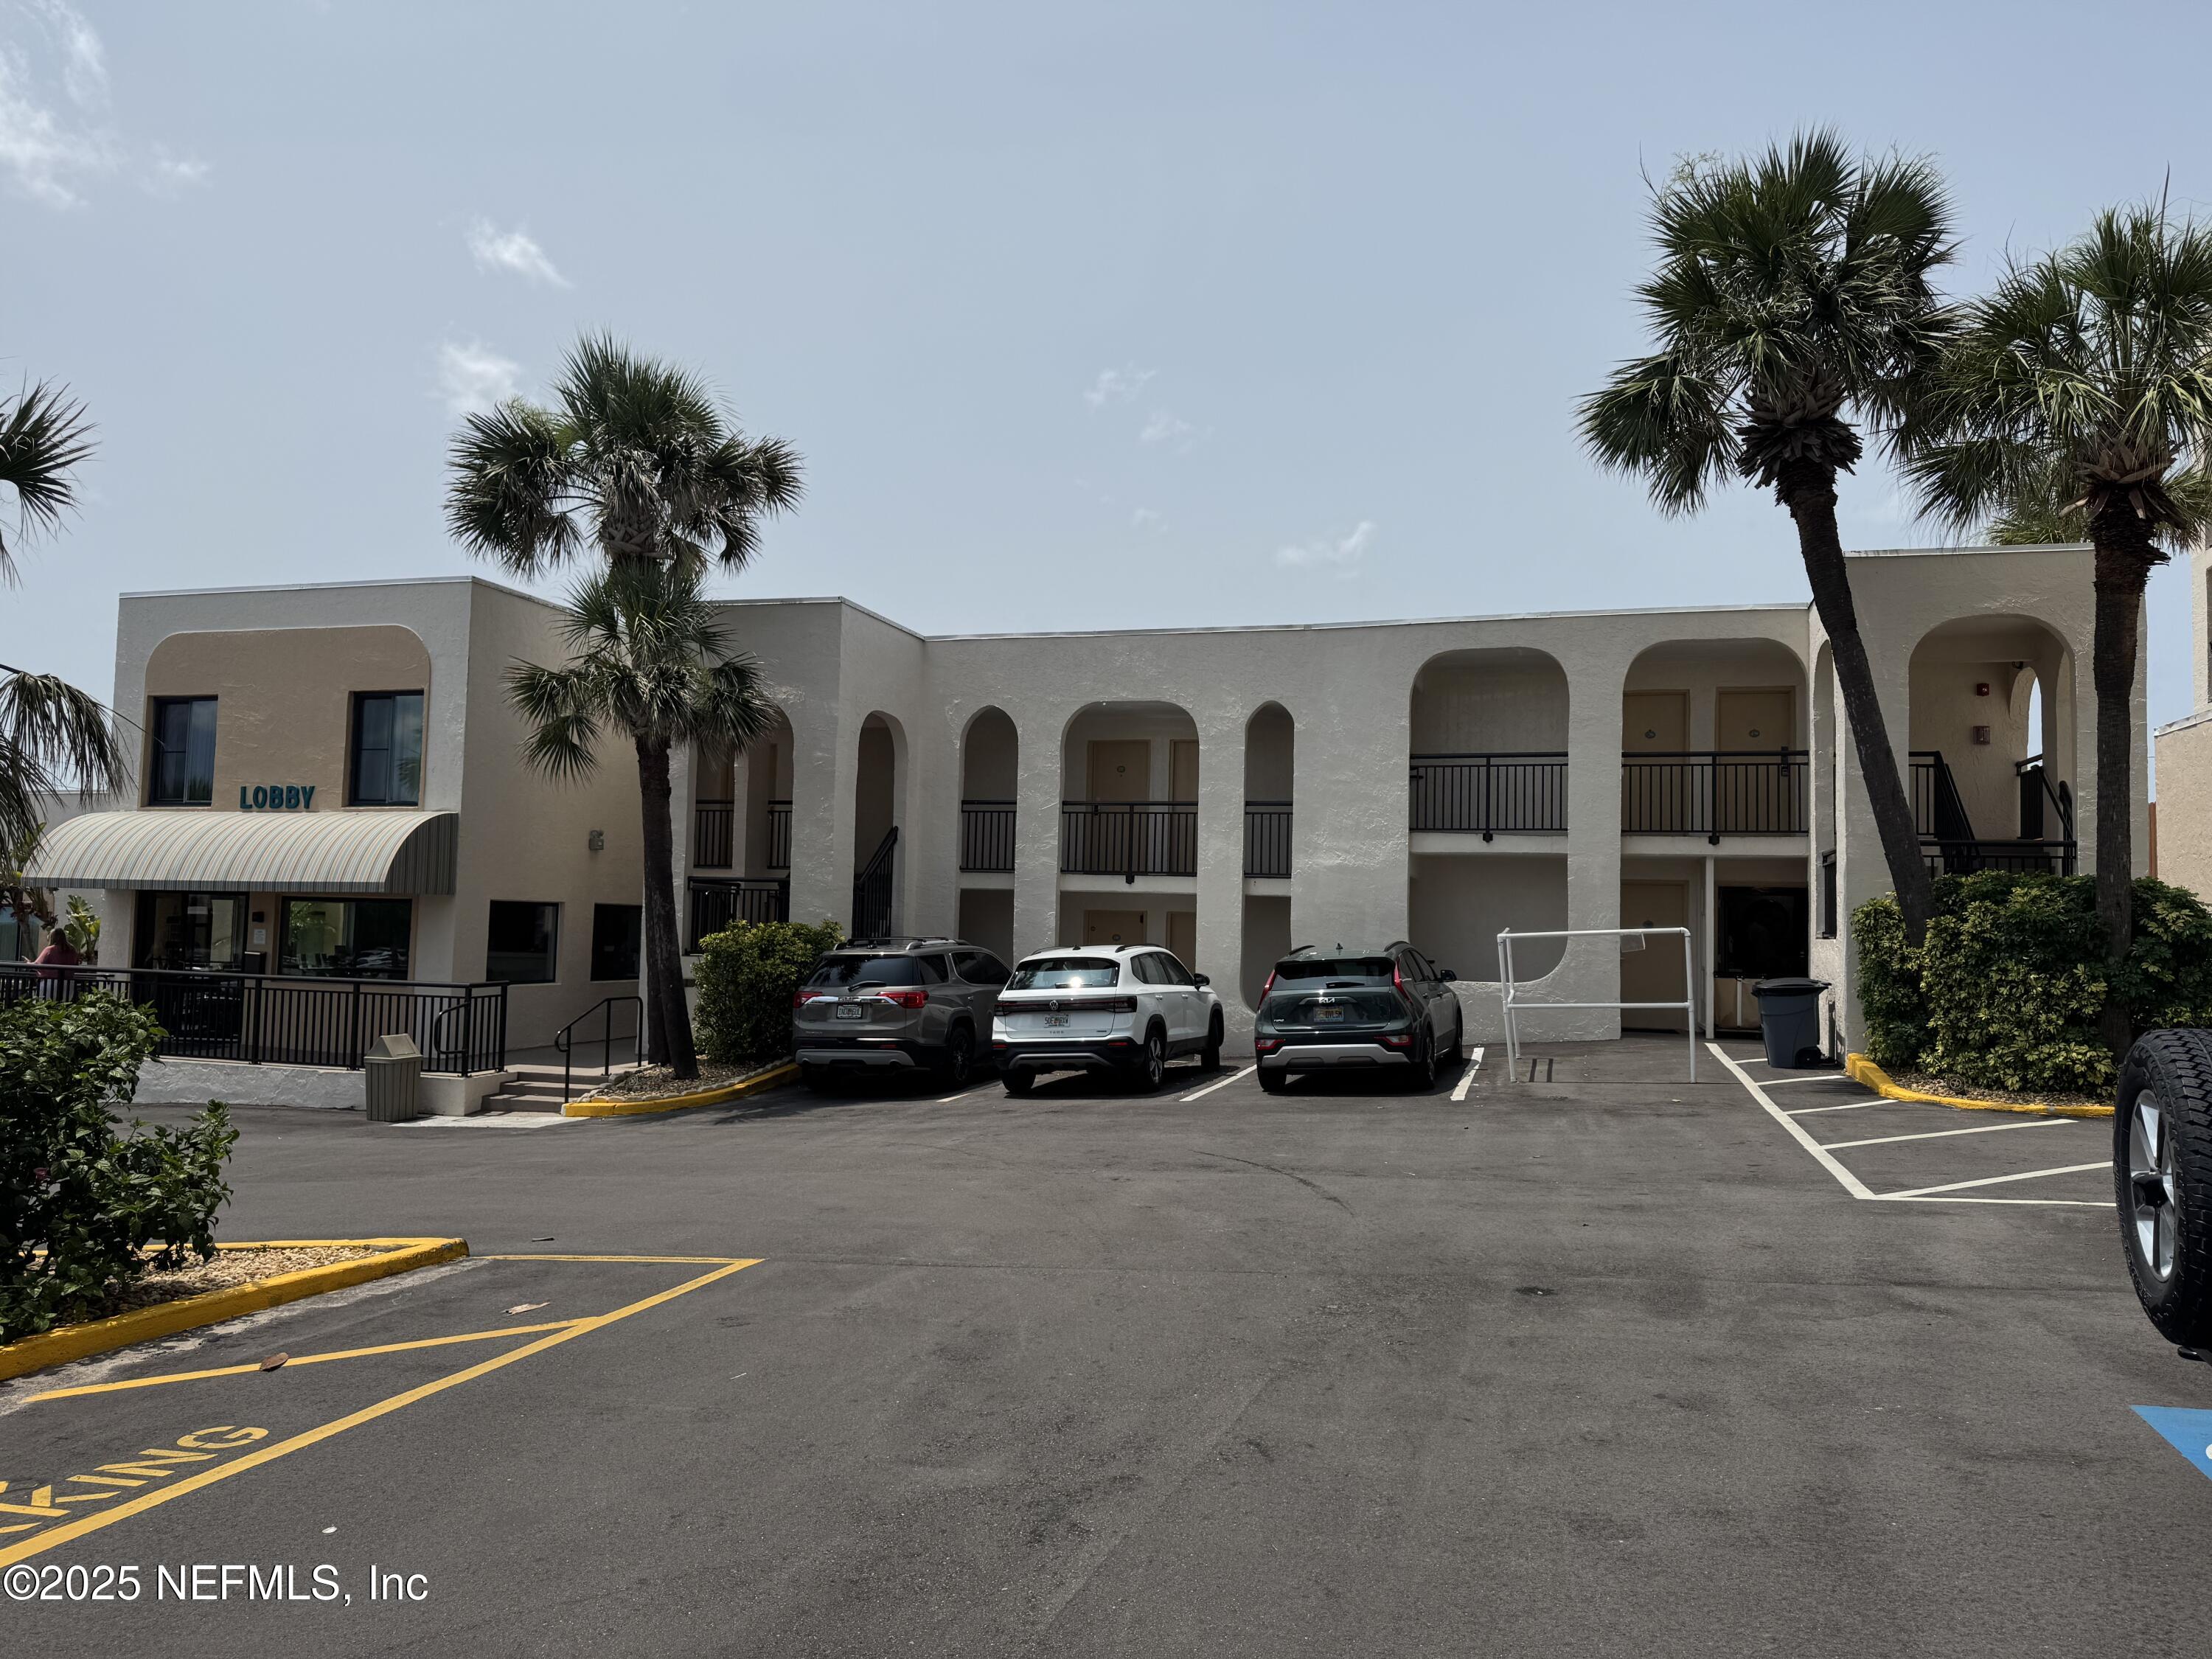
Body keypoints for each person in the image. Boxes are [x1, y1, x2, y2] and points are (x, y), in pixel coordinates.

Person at [33, 924, 83, 995]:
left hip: (50, 983)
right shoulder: (72, 950)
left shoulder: (50, 950)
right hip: (69, 985)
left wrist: (28, 963)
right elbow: (76, 965)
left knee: (44, 1001)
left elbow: (37, 965)